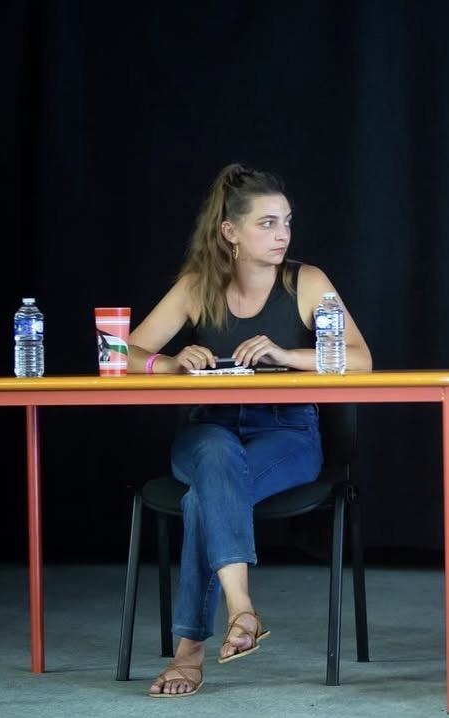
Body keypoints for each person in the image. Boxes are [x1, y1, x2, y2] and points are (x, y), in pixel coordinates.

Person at [127, 162, 372, 697]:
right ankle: (242, 608)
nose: (282, 234)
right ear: (230, 232)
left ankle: (190, 654)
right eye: (266, 223)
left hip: (287, 434)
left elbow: (360, 359)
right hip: (208, 429)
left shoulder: (307, 282)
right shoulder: (197, 286)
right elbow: (124, 352)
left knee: (203, 498)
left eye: (286, 221)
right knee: (214, 457)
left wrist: (286, 355)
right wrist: (169, 364)